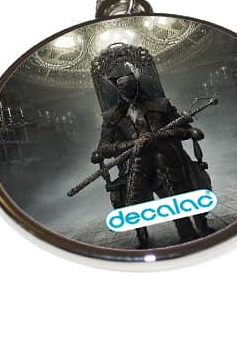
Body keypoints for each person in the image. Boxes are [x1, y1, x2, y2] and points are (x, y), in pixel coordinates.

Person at [91, 64, 214, 247]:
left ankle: (187, 231)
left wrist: (159, 136)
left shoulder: (161, 105)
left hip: (168, 156)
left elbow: (184, 130)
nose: (126, 89)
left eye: (129, 85)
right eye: (122, 86)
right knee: (140, 177)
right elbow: (104, 149)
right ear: (118, 90)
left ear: (137, 84)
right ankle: (144, 233)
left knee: (163, 167)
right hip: (135, 164)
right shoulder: (112, 117)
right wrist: (133, 143)